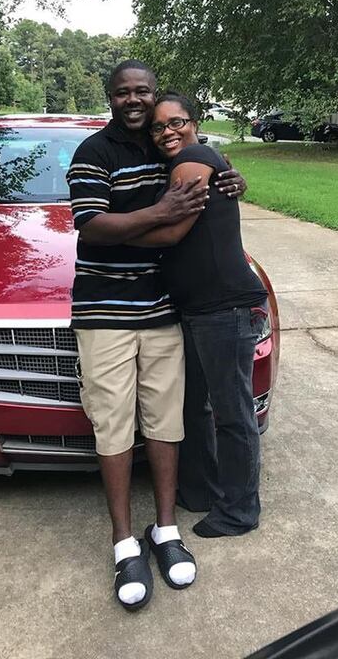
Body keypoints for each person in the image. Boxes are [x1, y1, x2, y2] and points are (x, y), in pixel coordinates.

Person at [67, 61, 247, 610]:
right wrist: (160, 210)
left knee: (166, 422)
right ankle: (125, 541)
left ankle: (165, 530)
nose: (134, 99)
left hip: (164, 309)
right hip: (104, 313)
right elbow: (92, 227)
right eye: (123, 92)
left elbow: (203, 169)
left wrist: (231, 178)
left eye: (142, 90)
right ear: (110, 98)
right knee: (114, 425)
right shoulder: (92, 154)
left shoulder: (168, 149)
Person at [128, 92, 268, 539]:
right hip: (197, 309)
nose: (168, 131)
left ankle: (240, 511)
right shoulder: (190, 162)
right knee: (195, 407)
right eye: (158, 126)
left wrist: (106, 234)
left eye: (177, 121)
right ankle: (203, 491)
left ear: (194, 122)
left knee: (232, 413)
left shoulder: (194, 158)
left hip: (223, 307)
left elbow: (172, 230)